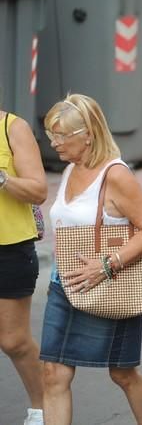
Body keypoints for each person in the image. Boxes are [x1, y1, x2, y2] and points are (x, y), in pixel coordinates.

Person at [40, 94, 142, 425]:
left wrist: (107, 264)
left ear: (88, 134)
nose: (54, 143)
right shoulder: (69, 169)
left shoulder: (116, 175)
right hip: (62, 284)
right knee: (53, 374)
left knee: (122, 374)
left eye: (61, 136)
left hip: (109, 286)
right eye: (52, 135)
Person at [1, 110, 47, 425]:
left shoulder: (12, 127)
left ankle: (43, 408)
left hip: (9, 248)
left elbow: (38, 190)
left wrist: (2, 177)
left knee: (13, 340)